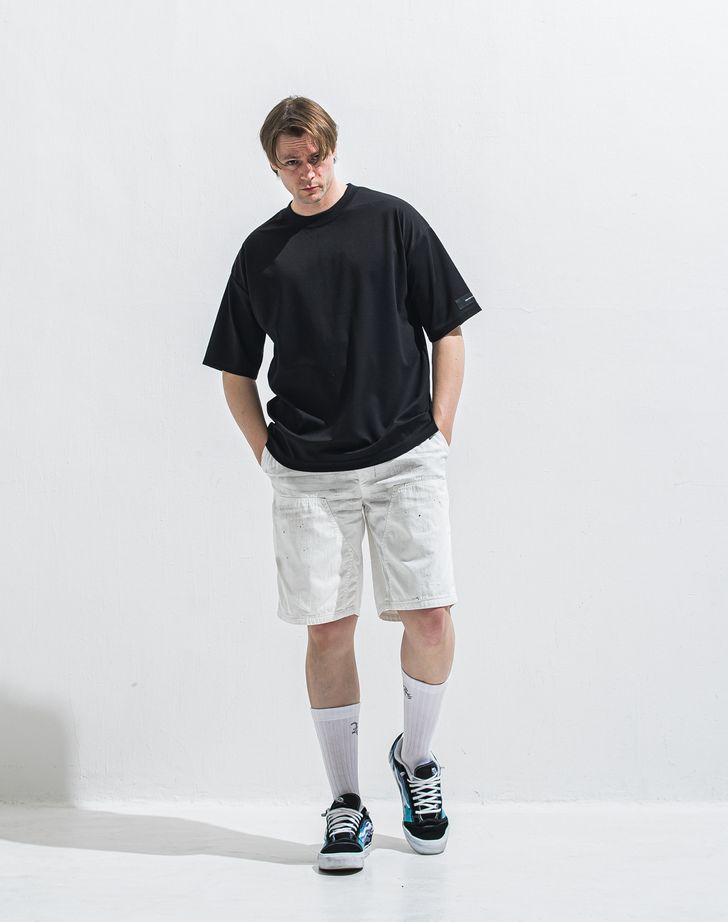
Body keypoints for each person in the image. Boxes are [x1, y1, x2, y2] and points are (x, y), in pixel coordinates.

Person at [202, 95, 482, 873]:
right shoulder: (263, 252)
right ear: (274, 167)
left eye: (317, 156)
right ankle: (346, 803)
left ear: (334, 150)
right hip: (308, 474)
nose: (309, 173)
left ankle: (416, 761)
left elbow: (448, 328)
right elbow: (234, 370)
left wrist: (440, 427)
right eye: (292, 162)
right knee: (328, 630)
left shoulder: (393, 222)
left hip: (405, 456)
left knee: (430, 617)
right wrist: (268, 455)